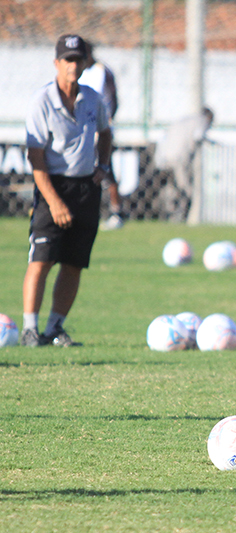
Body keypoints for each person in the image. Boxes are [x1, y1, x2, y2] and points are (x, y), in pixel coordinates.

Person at [20, 34, 112, 347]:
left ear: (86, 63)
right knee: (42, 259)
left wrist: (104, 166)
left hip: (86, 187)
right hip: (52, 186)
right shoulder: (42, 101)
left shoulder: (93, 98)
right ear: (57, 63)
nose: (73, 65)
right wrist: (54, 202)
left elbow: (106, 132)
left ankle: (55, 328)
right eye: (68, 59)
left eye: (79, 59)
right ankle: (30, 328)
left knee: (74, 262)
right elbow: (36, 158)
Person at [79, 40, 125, 230]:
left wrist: (103, 124)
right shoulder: (79, 73)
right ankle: (82, 211)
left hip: (99, 132)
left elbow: (111, 101)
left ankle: (117, 213)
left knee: (105, 171)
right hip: (80, 132)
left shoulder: (101, 71)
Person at [154, 107, 214, 222]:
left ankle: (168, 213)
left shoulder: (182, 120)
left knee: (171, 187)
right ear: (209, 117)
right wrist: (210, 143)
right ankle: (181, 217)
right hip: (181, 157)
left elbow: (164, 136)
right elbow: (198, 136)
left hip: (165, 156)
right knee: (186, 189)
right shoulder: (201, 121)